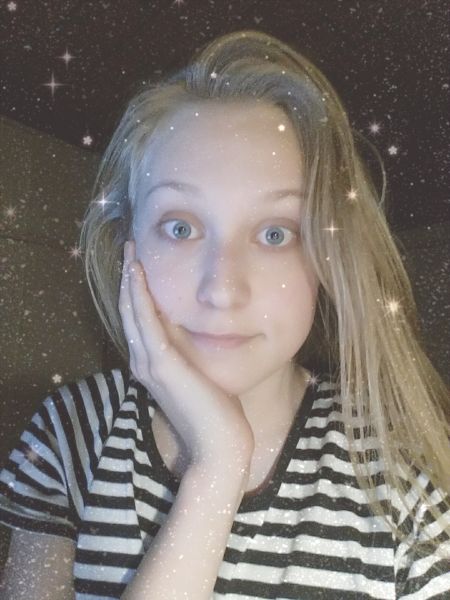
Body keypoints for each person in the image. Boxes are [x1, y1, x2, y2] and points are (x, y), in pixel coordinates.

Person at [0, 28, 448, 600]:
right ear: (128, 244)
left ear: (327, 256)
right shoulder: (71, 432)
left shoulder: (401, 474)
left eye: (275, 233)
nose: (223, 289)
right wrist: (216, 468)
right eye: (180, 227)